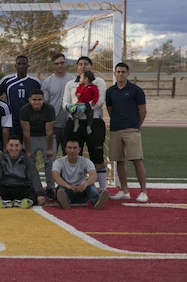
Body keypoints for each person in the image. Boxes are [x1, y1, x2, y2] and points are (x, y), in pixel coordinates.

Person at [62, 56, 108, 191]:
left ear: (91, 66)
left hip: (94, 122)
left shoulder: (98, 82)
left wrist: (84, 107)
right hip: (74, 123)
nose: (83, 67)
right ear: (77, 67)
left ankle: (103, 190)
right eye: (80, 64)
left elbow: (99, 101)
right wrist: (71, 107)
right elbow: (64, 103)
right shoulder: (71, 84)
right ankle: (73, 188)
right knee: (74, 156)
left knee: (97, 157)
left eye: (86, 64)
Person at [106, 62, 148, 202]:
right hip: (115, 129)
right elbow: (110, 110)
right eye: (118, 72)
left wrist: (136, 126)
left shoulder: (136, 90)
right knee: (119, 160)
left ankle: (143, 191)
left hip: (131, 129)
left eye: (123, 72)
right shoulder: (110, 91)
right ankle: (124, 190)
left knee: (136, 159)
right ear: (114, 73)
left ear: (128, 73)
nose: (121, 74)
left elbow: (142, 110)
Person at [0, 136, 46, 209]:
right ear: (7, 146)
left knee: (33, 194)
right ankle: (5, 201)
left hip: (22, 187)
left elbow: (34, 176)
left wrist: (39, 193)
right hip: (5, 187)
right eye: (11, 145)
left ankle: (22, 202)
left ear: (21, 146)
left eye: (17, 146)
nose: (14, 148)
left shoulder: (27, 160)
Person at [52, 139, 110, 210]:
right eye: (69, 148)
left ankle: (97, 201)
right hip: (67, 189)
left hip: (81, 190)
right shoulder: (59, 161)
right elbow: (55, 176)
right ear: (65, 150)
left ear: (79, 149)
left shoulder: (86, 161)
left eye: (75, 148)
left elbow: (93, 175)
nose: (72, 150)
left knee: (90, 186)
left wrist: (84, 185)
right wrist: (69, 186)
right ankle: (65, 202)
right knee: (61, 189)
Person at [20, 89, 56, 197]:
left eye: (39, 100)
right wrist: (28, 150)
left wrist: (49, 148)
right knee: (29, 161)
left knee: (50, 162)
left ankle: (50, 188)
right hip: (31, 136)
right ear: (29, 100)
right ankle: (32, 186)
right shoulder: (24, 110)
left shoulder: (49, 109)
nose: (37, 102)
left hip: (45, 136)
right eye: (34, 100)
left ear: (43, 100)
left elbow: (49, 131)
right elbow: (26, 132)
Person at [0, 55, 41, 139]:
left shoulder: (35, 82)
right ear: (15, 66)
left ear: (28, 66)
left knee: (28, 148)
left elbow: (41, 100)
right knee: (14, 147)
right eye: (19, 64)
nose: (21, 66)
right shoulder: (6, 80)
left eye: (24, 64)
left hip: (30, 120)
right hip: (12, 121)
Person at [41, 53, 73, 154]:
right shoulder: (47, 82)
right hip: (53, 126)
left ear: (65, 63)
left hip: (70, 124)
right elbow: (45, 105)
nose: (60, 65)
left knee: (70, 156)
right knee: (51, 155)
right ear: (53, 65)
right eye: (57, 63)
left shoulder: (73, 80)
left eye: (62, 63)